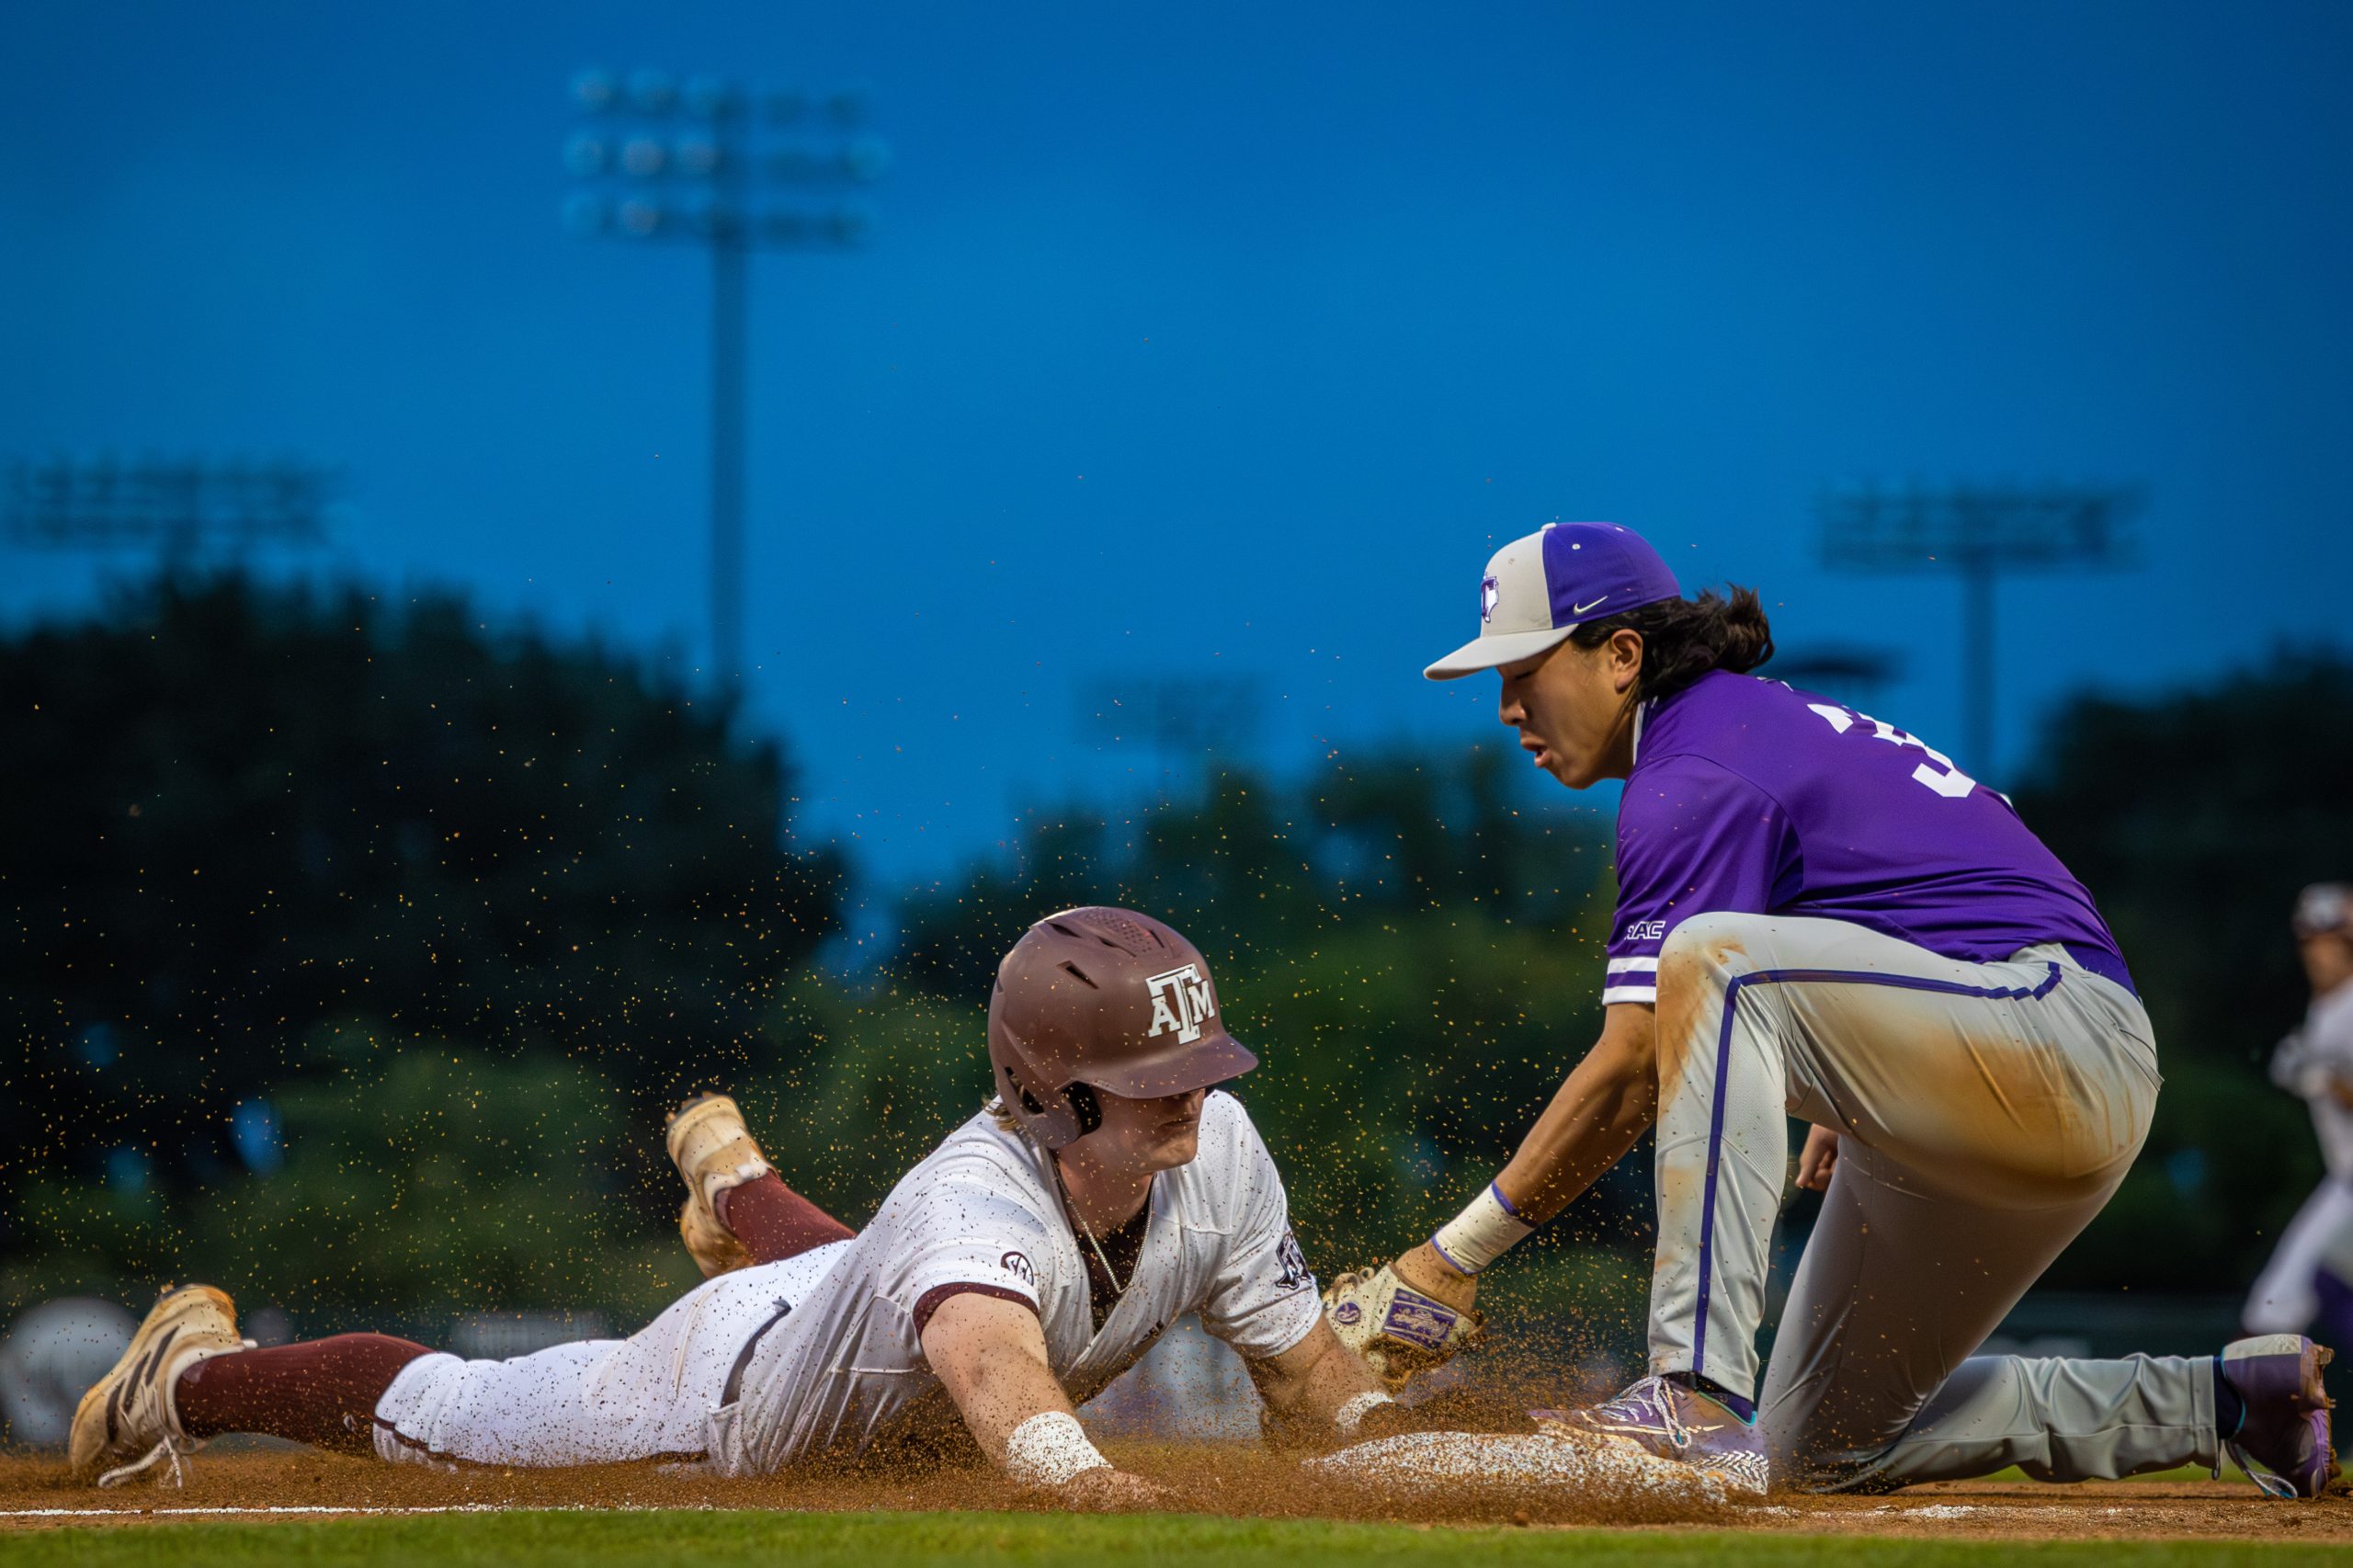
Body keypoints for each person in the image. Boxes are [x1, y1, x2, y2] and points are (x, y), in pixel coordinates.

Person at [1322, 520, 2336, 1498]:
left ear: (1621, 652)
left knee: (1707, 962)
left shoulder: (1693, 768)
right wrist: (1838, 1084)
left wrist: (1448, 1258)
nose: (1505, 705)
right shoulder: (1738, 731)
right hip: (1997, 1072)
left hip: (2057, 1032)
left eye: (1522, 669)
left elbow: (1636, 1060)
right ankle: (2224, 1404)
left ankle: (1689, 1390)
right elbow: (1889, 905)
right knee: (1822, 1442)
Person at [72, 907, 1395, 1502]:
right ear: (1055, 1089)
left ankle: (737, 1185)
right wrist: (1117, 1499)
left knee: (870, 1283)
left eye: (1198, 1064)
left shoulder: (1210, 1145)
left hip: (850, 1302)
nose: (1194, 1095)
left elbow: (1319, 1396)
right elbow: (1014, 1406)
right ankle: (186, 1377)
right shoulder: (969, 1199)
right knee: (446, 1410)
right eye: (1151, 1075)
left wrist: (1387, 1438)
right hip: (716, 1400)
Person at [2243, 883, 2353, 1351]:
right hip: (2344, 1183)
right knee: (2279, 1305)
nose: (2319, 949)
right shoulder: (2326, 1008)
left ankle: (2258, 1415)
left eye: (2331, 936)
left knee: (2295, 1296)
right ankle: (2268, 1416)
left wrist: (2324, 1080)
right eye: (2311, 938)